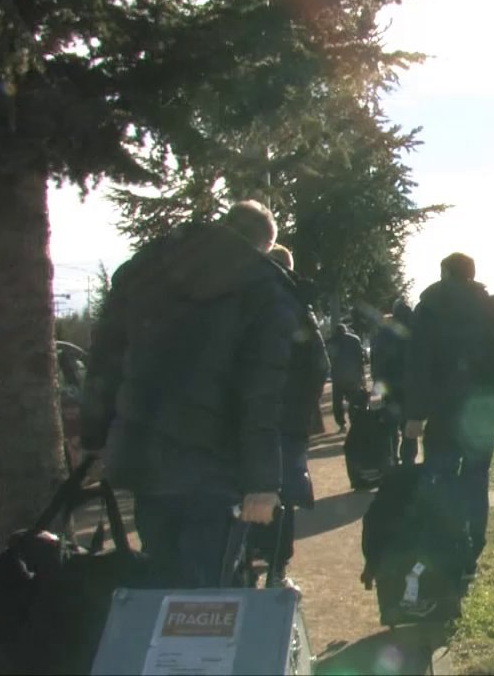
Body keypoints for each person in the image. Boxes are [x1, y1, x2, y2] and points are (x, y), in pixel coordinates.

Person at [81, 200, 294, 589]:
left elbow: (105, 360)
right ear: (264, 245)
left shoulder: (147, 270)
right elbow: (261, 391)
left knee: (161, 574)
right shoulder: (262, 288)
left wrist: (95, 438)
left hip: (146, 452)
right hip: (216, 461)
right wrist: (263, 481)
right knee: (208, 593)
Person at [404, 252, 494, 581]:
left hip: (443, 411)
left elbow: (418, 365)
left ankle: (443, 549)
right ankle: (470, 554)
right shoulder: (492, 308)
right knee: (476, 480)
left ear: (445, 272)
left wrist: (414, 415)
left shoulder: (430, 307)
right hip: (483, 411)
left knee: (441, 478)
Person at [249, 244, 330, 586]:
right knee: (283, 491)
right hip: (287, 420)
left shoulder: (243, 298)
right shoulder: (298, 306)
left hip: (253, 416)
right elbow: (319, 364)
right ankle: (278, 567)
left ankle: (248, 557)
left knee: (248, 487)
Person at [371, 299, 415, 466]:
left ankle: (391, 458)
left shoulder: (384, 332)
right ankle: (408, 459)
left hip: (389, 385)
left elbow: (377, 361)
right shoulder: (415, 330)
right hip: (410, 385)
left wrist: (377, 386)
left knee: (390, 425)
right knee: (409, 425)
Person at [327, 322, 366, 433]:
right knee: (354, 401)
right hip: (353, 376)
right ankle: (355, 423)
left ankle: (342, 424)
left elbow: (329, 358)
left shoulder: (331, 341)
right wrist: (361, 375)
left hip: (338, 377)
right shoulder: (355, 340)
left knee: (337, 403)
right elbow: (361, 359)